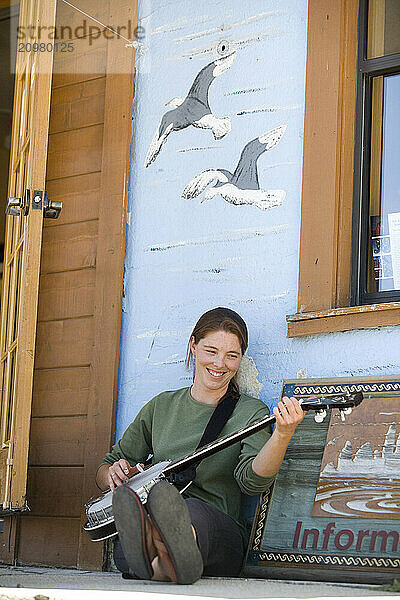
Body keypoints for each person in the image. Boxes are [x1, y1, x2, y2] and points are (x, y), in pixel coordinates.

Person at [96, 307, 304, 584]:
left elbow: (253, 483)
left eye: (232, 356)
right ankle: (167, 559)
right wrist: (113, 473)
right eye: (211, 351)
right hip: (153, 522)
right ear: (193, 346)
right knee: (129, 542)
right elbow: (105, 469)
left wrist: (282, 434)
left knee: (188, 511)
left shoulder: (250, 413)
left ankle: (164, 552)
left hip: (219, 533)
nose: (220, 364)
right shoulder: (161, 406)